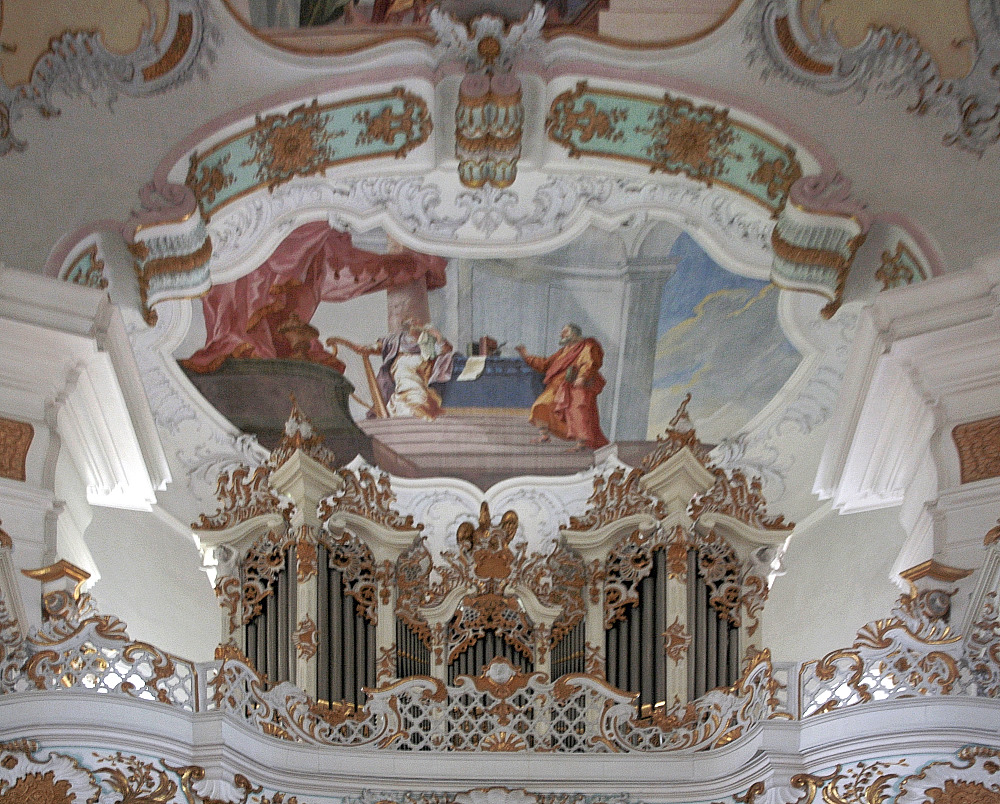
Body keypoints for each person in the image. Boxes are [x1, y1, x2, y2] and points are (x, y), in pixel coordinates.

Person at [515, 324, 610, 451]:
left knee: (578, 412)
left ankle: (581, 444)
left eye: (565, 332)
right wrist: (527, 356)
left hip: (576, 386)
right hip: (557, 387)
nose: (561, 335)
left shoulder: (587, 346)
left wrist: (582, 377)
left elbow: (589, 363)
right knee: (541, 405)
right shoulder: (564, 350)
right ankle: (544, 436)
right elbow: (545, 364)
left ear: (574, 334)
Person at [375, 318, 454, 420]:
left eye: (417, 320)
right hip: (403, 375)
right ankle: (411, 405)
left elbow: (445, 350)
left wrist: (438, 337)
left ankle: (417, 405)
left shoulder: (429, 337)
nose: (415, 323)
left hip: (421, 374)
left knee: (418, 399)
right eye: (412, 322)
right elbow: (378, 346)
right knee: (404, 378)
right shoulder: (397, 341)